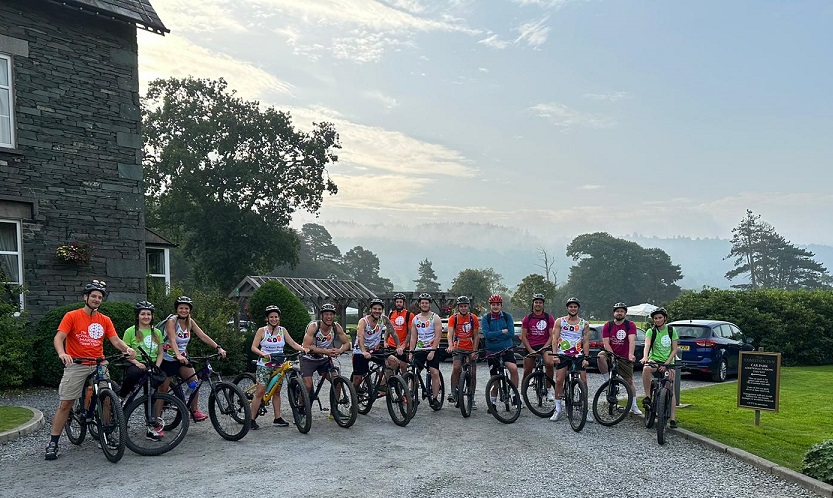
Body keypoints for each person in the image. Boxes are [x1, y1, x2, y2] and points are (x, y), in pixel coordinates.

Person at [45, 280, 137, 461]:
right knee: (66, 404)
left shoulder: (105, 320)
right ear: (85, 297)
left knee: (107, 397)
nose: (96, 299)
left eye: (100, 297)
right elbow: (59, 337)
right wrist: (62, 353)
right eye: (93, 296)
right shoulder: (72, 316)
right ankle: (53, 443)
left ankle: (108, 432)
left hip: (99, 364)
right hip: (77, 364)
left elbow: (116, 340)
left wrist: (127, 349)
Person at [159, 296, 227, 422]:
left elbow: (202, 336)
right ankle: (157, 416)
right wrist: (177, 354)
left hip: (182, 359)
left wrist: (218, 347)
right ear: (177, 309)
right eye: (181, 308)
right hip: (167, 358)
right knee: (163, 388)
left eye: (186, 308)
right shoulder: (172, 322)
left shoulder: (190, 322)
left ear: (190, 310)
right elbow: (172, 339)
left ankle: (194, 410)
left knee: (194, 382)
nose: (183, 310)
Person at [248, 305, 307, 430]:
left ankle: (277, 417)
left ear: (279, 318)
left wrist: (303, 349)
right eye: (271, 317)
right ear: (267, 319)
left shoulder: (282, 330)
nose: (274, 319)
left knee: (277, 392)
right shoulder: (261, 331)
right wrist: (262, 353)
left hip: (279, 365)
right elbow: (253, 347)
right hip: (264, 365)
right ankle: (251, 419)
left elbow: (292, 343)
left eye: (276, 317)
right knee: (260, 392)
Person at [119, 300, 166, 440]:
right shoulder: (130, 331)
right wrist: (136, 363)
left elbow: (160, 352)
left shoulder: (156, 331)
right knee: (134, 373)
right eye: (143, 314)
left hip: (151, 364)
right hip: (136, 363)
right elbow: (125, 352)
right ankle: (122, 396)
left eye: (149, 314)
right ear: (138, 316)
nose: (146, 316)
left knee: (150, 394)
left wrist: (157, 366)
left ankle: (151, 428)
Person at [549, 297, 592, 423]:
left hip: (578, 354)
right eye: (570, 306)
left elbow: (586, 341)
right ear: (567, 308)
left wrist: (586, 357)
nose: (573, 308)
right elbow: (554, 338)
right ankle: (557, 409)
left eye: (575, 306)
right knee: (559, 380)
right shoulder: (560, 321)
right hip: (563, 354)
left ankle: (585, 409)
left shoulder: (584, 323)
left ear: (578, 308)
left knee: (583, 380)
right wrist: (555, 354)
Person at [597, 302, 642, 415]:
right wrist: (611, 355)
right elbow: (606, 343)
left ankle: (634, 405)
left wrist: (631, 354)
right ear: (614, 313)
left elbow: (632, 340)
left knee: (629, 382)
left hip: (624, 356)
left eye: (622, 311)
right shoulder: (608, 325)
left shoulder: (630, 325)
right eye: (617, 311)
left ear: (625, 313)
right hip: (611, 352)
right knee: (600, 356)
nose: (619, 313)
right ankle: (607, 380)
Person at [300, 303, 352, 397]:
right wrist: (326, 351)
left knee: (337, 382)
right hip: (308, 358)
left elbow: (347, 343)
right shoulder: (314, 326)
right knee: (307, 386)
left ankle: (334, 410)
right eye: (326, 314)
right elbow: (306, 346)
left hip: (323, 359)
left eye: (331, 314)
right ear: (322, 316)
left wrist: (339, 351)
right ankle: (300, 406)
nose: (329, 317)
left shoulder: (336, 327)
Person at [351, 298, 400, 396]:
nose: (377, 311)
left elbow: (393, 332)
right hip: (360, 351)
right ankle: (354, 398)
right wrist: (364, 351)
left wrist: (399, 346)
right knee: (358, 379)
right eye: (375, 309)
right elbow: (360, 337)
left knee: (395, 362)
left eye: (379, 309)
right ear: (370, 310)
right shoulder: (363, 321)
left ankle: (382, 385)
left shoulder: (384, 319)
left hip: (375, 349)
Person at [640, 307, 679, 428]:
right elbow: (647, 345)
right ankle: (647, 396)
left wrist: (667, 363)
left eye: (660, 318)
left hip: (668, 362)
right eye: (655, 318)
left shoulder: (672, 330)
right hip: (655, 360)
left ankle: (673, 419)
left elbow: (674, 349)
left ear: (665, 318)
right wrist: (645, 357)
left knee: (670, 389)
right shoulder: (651, 331)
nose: (657, 320)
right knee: (646, 368)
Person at [481, 294, 519, 408]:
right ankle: (493, 402)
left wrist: (495, 337)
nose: (495, 307)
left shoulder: (507, 317)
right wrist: (502, 332)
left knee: (513, 369)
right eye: (493, 305)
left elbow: (511, 333)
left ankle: (514, 395)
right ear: (490, 306)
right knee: (494, 380)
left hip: (506, 349)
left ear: (501, 306)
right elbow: (487, 335)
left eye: (497, 304)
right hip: (492, 352)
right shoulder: (486, 318)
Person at [408, 293, 443, 409]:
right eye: (422, 303)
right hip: (419, 349)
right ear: (419, 304)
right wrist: (410, 352)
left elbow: (438, 336)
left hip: (432, 349)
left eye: (426, 303)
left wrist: (433, 351)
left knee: (434, 372)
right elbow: (413, 337)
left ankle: (435, 398)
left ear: (430, 304)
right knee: (414, 373)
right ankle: (411, 396)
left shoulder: (435, 318)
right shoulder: (416, 319)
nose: (424, 305)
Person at [445, 296, 480, 409]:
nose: (463, 308)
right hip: (458, 347)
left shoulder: (473, 318)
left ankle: (472, 397)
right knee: (456, 367)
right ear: (458, 307)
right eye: (461, 306)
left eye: (465, 306)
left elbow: (476, 335)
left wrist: (474, 351)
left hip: (470, 347)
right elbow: (450, 333)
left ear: (468, 307)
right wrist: (450, 345)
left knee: (473, 374)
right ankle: (453, 392)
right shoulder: (453, 318)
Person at [520, 293, 555, 401]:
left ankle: (549, 391)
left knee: (549, 363)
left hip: (545, 345)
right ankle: (522, 395)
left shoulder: (548, 318)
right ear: (533, 304)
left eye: (540, 302)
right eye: (536, 302)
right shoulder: (527, 318)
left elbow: (551, 335)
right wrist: (530, 350)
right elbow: (524, 336)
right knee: (527, 370)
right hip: (531, 345)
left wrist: (544, 347)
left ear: (543, 305)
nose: (538, 304)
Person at [387, 292, 413, 374]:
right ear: (395, 303)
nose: (399, 304)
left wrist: (404, 345)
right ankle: (388, 384)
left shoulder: (409, 315)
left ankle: (404, 384)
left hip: (403, 345)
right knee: (390, 366)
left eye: (400, 302)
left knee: (403, 366)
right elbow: (388, 329)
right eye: (397, 302)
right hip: (391, 344)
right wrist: (385, 341)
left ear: (403, 303)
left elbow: (410, 332)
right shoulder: (391, 314)